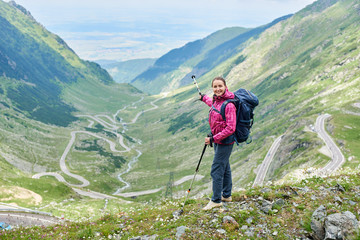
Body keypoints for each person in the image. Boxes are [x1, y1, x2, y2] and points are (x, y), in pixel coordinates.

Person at [200, 76, 236, 210]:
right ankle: (226, 195)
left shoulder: (229, 104)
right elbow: (214, 106)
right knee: (225, 167)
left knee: (216, 169)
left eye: (220, 86)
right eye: (215, 87)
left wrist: (213, 139)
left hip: (224, 142)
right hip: (219, 140)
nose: (217, 89)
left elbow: (231, 128)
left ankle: (215, 200)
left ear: (225, 86)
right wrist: (204, 98)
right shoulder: (218, 101)